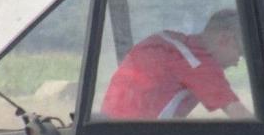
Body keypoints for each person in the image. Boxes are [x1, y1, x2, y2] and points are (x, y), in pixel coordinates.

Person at [101, 8, 252, 120]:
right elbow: (240, 116)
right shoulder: (196, 62)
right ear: (225, 38)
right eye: (239, 53)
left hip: (114, 131)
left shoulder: (167, 42)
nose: (236, 63)